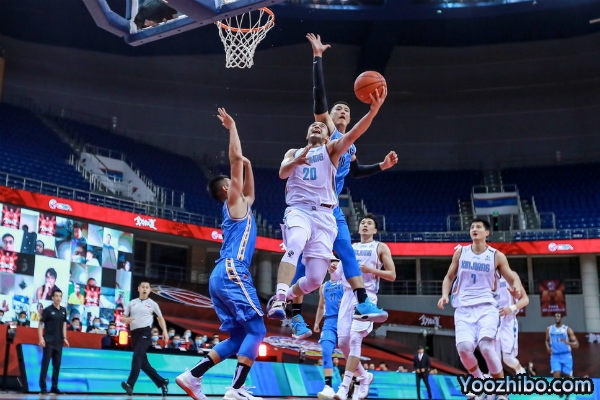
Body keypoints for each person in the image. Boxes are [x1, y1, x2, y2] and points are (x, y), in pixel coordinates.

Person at [274, 33, 397, 340]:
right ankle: (293, 312)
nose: (341, 112)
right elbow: (319, 99)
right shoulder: (326, 133)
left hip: (330, 207)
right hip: (306, 204)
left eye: (346, 110)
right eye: (337, 109)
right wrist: (318, 58)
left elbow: (354, 171)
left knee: (345, 253)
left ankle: (363, 302)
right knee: (302, 256)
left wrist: (381, 166)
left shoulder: (347, 146)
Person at [175, 108, 266, 400]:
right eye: (233, 180)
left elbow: (251, 194)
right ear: (227, 188)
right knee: (257, 331)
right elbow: (235, 159)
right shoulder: (232, 202)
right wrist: (233, 127)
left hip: (221, 275)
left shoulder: (240, 206)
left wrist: (249, 166)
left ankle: (192, 375)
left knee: (239, 336)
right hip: (232, 269)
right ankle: (236, 389)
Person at [437, 218, 522, 400]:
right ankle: (479, 380)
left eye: (478, 227)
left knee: (486, 347)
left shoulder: (496, 256)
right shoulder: (461, 253)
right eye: (472, 227)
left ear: (486, 233)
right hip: (463, 308)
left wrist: (515, 286)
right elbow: (449, 277)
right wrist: (444, 295)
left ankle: (501, 390)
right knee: (464, 348)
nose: (474, 229)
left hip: (487, 307)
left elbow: (512, 276)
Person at [334, 214, 396, 400]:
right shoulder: (351, 247)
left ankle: (344, 386)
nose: (365, 225)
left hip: (366, 296)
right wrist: (333, 269)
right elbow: (336, 276)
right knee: (343, 342)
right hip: (347, 295)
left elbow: (392, 274)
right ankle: (363, 376)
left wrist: (371, 270)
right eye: (362, 223)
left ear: (375, 230)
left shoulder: (380, 247)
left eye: (369, 223)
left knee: (354, 339)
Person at [121, 279, 170, 396]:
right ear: (138, 289)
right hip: (134, 334)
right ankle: (162, 382)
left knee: (137, 356)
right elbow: (123, 318)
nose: (144, 289)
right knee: (143, 364)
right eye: (142, 287)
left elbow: (160, 318)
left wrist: (165, 331)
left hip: (145, 333)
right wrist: (126, 319)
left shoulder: (153, 304)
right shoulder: (132, 303)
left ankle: (130, 384)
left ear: (149, 290)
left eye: (147, 287)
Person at [314, 259, 345, 400]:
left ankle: (356, 383)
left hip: (344, 320)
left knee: (350, 353)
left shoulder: (346, 282)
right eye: (331, 264)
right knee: (326, 350)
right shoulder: (323, 286)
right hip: (329, 322)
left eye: (336, 264)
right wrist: (316, 323)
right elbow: (321, 306)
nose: (333, 265)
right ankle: (328, 386)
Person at [495, 271, 530, 375]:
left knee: (508, 359)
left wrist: (511, 308)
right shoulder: (486, 273)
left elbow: (525, 299)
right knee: (493, 356)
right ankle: (492, 379)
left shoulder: (512, 275)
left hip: (508, 320)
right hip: (493, 320)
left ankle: (520, 370)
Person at [38, 288, 69, 394]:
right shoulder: (47, 310)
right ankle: (43, 388)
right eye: (56, 296)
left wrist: (65, 338)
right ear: (52, 297)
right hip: (48, 341)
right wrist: (41, 338)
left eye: (60, 296)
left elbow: (64, 324)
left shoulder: (63, 310)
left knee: (57, 366)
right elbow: (40, 324)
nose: (58, 298)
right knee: (45, 365)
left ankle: (54, 387)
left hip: (59, 342)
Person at [546, 313, 579, 383]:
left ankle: (576, 386)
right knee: (556, 374)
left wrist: (566, 342)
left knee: (568, 376)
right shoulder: (549, 329)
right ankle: (558, 389)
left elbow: (576, 344)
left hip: (566, 355)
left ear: (561, 318)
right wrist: (548, 347)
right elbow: (546, 340)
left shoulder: (567, 329)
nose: (556, 318)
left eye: (558, 316)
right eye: (555, 316)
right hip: (555, 355)